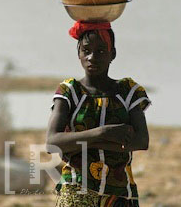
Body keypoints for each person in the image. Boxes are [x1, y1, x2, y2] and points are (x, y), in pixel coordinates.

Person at [46, 21, 151, 207]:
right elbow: (52, 142)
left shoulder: (128, 91)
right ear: (78, 53)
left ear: (113, 54)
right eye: (86, 50)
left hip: (120, 195)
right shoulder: (69, 92)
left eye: (101, 51)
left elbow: (141, 141)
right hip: (76, 190)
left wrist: (79, 143)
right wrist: (104, 133)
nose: (92, 57)